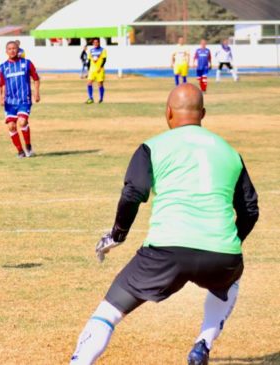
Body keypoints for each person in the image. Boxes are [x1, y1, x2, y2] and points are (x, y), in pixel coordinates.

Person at [69, 84, 259, 365]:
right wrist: (228, 241)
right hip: (222, 255)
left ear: (168, 113)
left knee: (109, 311)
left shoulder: (152, 147)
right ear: (203, 114)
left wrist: (117, 236)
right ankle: (202, 344)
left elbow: (133, 194)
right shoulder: (230, 152)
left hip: (165, 251)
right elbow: (250, 210)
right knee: (229, 282)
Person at [0, 41, 40, 158]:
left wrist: (36, 93)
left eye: (14, 48)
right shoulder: (3, 67)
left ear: (18, 49)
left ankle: (28, 146)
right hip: (9, 102)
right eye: (9, 49)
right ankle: (20, 151)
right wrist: (0, 97)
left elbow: (36, 78)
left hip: (24, 100)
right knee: (11, 126)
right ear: (6, 51)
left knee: (22, 122)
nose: (12, 51)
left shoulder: (26, 63)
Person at [85, 38, 107, 104]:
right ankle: (91, 98)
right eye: (94, 42)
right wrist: (88, 70)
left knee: (100, 84)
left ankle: (101, 99)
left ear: (99, 42)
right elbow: (88, 61)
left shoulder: (103, 50)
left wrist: (101, 67)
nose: (95, 43)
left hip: (99, 70)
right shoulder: (91, 50)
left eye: (97, 42)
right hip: (92, 70)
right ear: (93, 43)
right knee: (89, 83)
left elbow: (104, 60)